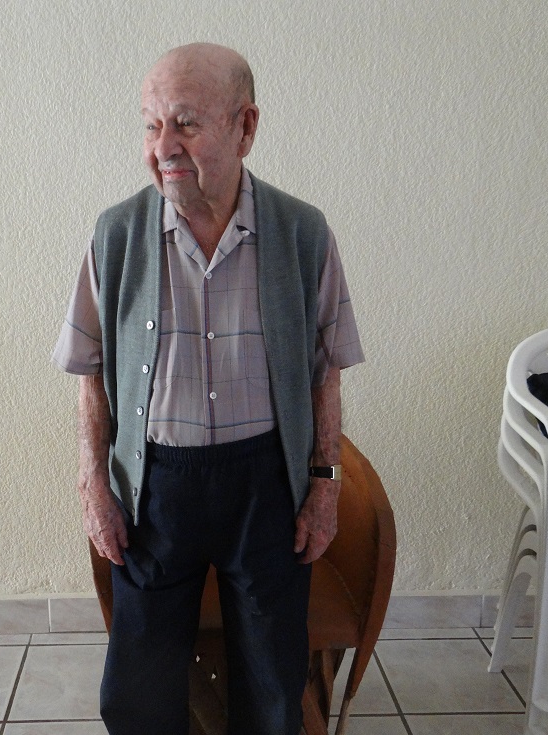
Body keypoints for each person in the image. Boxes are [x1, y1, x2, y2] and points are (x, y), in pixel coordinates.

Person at [52, 42, 363, 735]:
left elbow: (326, 370)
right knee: (138, 685)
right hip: (157, 484)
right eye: (151, 124)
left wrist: (325, 484)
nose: (163, 146)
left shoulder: (302, 232)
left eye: (186, 124)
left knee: (273, 682)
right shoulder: (116, 235)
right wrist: (94, 485)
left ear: (245, 127)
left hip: (267, 482)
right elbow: (90, 373)